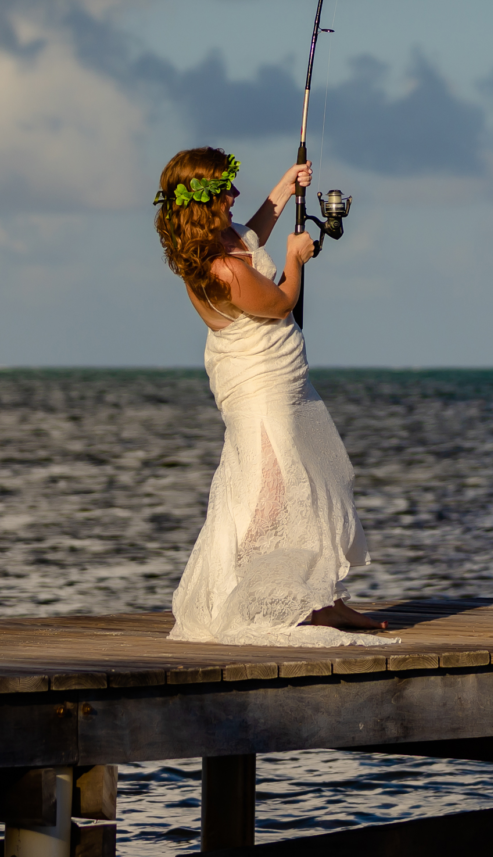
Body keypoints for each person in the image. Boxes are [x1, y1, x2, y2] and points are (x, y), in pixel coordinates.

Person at [152, 147, 392, 645]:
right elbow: (281, 303)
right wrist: (294, 259)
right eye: (228, 190)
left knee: (301, 475)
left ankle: (318, 596)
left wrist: (284, 188)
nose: (238, 195)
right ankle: (264, 593)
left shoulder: (217, 242)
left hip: (275, 377)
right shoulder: (224, 270)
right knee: (276, 489)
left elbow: (251, 232)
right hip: (261, 386)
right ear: (206, 200)